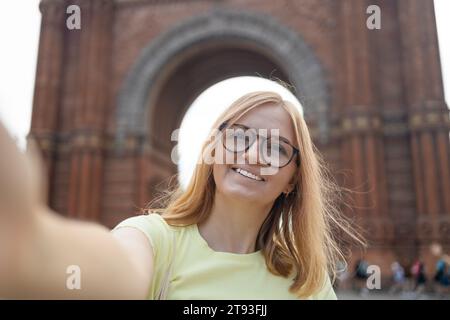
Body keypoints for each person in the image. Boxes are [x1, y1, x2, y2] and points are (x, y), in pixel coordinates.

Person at [0, 85, 363, 299]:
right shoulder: (153, 240)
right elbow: (118, 271)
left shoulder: (305, 279)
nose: (252, 155)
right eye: (239, 137)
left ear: (294, 180)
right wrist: (30, 247)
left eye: (277, 148)